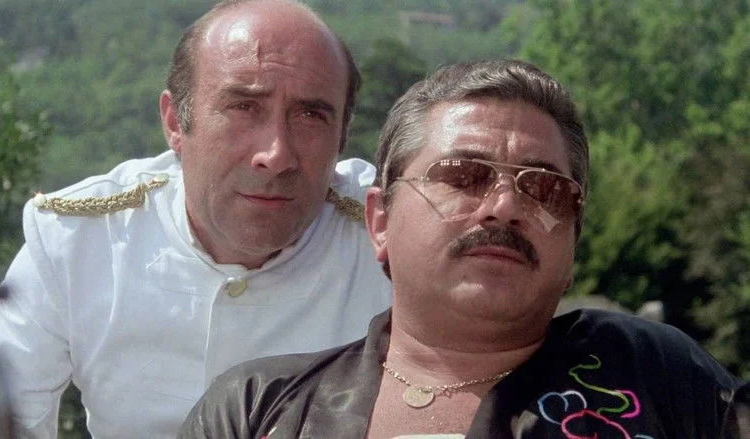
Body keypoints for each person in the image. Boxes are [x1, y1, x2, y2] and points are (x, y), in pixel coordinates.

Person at [179, 59, 748, 438]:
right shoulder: (261, 409)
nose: (505, 206)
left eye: (544, 188)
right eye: (463, 175)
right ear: (380, 221)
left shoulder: (657, 374)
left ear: (573, 240)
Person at [0, 0, 392, 437]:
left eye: (310, 115)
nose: (276, 154)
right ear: (175, 122)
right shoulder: (79, 240)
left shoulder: (390, 241)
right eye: (244, 107)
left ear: (342, 135)